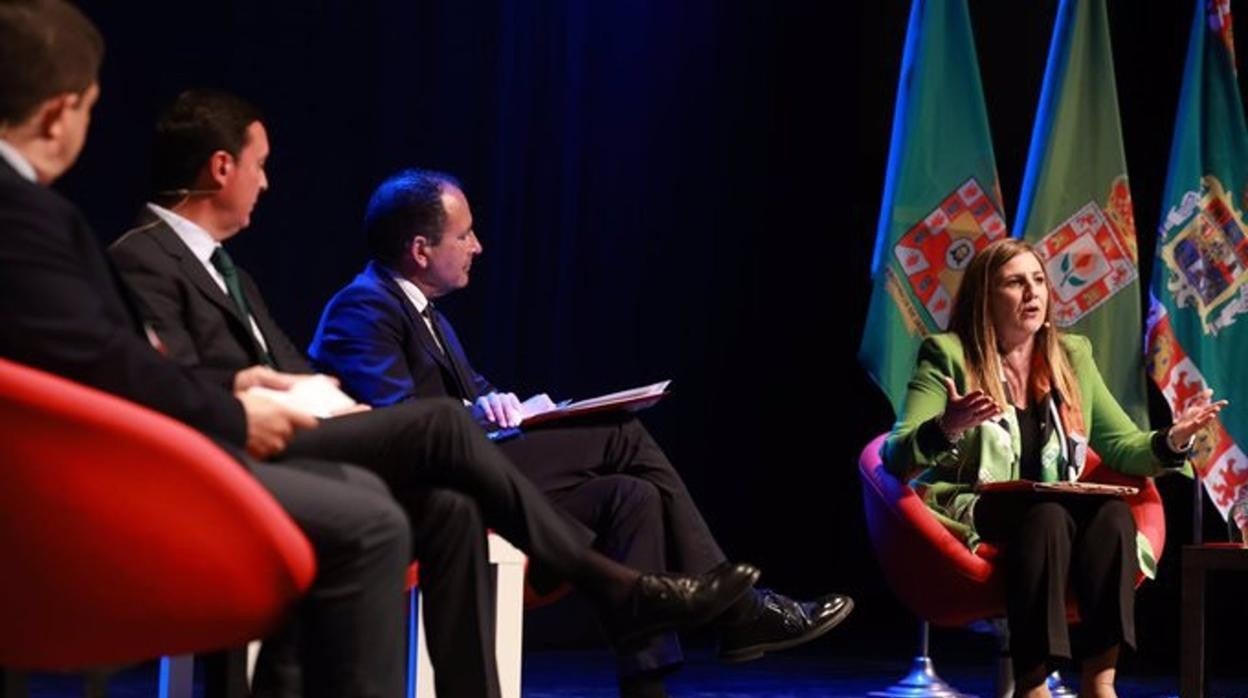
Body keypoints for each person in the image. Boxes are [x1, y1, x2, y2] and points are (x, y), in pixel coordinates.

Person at [107, 89, 761, 698]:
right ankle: (619, 586)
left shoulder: (233, 273)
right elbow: (171, 383)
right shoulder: (143, 256)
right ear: (222, 167)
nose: (266, 182)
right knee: (445, 428)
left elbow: (301, 369)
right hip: (241, 452)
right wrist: (263, 390)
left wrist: (333, 399)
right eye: (260, 165)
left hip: (306, 438)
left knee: (455, 505)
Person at [306, 168, 854, 697]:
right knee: (621, 433)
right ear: (421, 250)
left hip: (475, 465)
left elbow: (471, 395)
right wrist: (479, 413)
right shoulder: (363, 307)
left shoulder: (426, 312)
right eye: (464, 234)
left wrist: (518, 407)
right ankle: (743, 614)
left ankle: (647, 687)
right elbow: (399, 420)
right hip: (428, 487)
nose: (478, 246)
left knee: (631, 496)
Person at [0, 3, 411, 697]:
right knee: (370, 521)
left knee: (372, 489)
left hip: (101, 453)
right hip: (94, 481)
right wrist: (235, 410)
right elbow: (105, 365)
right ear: (57, 113)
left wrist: (245, 388)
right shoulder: (25, 215)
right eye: (91, 109)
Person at [882, 238, 1226, 698]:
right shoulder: (947, 354)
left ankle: (1100, 682)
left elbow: (1122, 446)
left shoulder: (1070, 355)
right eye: (1015, 283)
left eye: (1039, 280)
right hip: (976, 503)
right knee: (1045, 516)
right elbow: (896, 454)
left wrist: (1173, 438)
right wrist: (948, 424)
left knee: (1111, 516)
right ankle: (1033, 684)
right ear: (986, 296)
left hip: (1053, 503)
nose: (1033, 293)